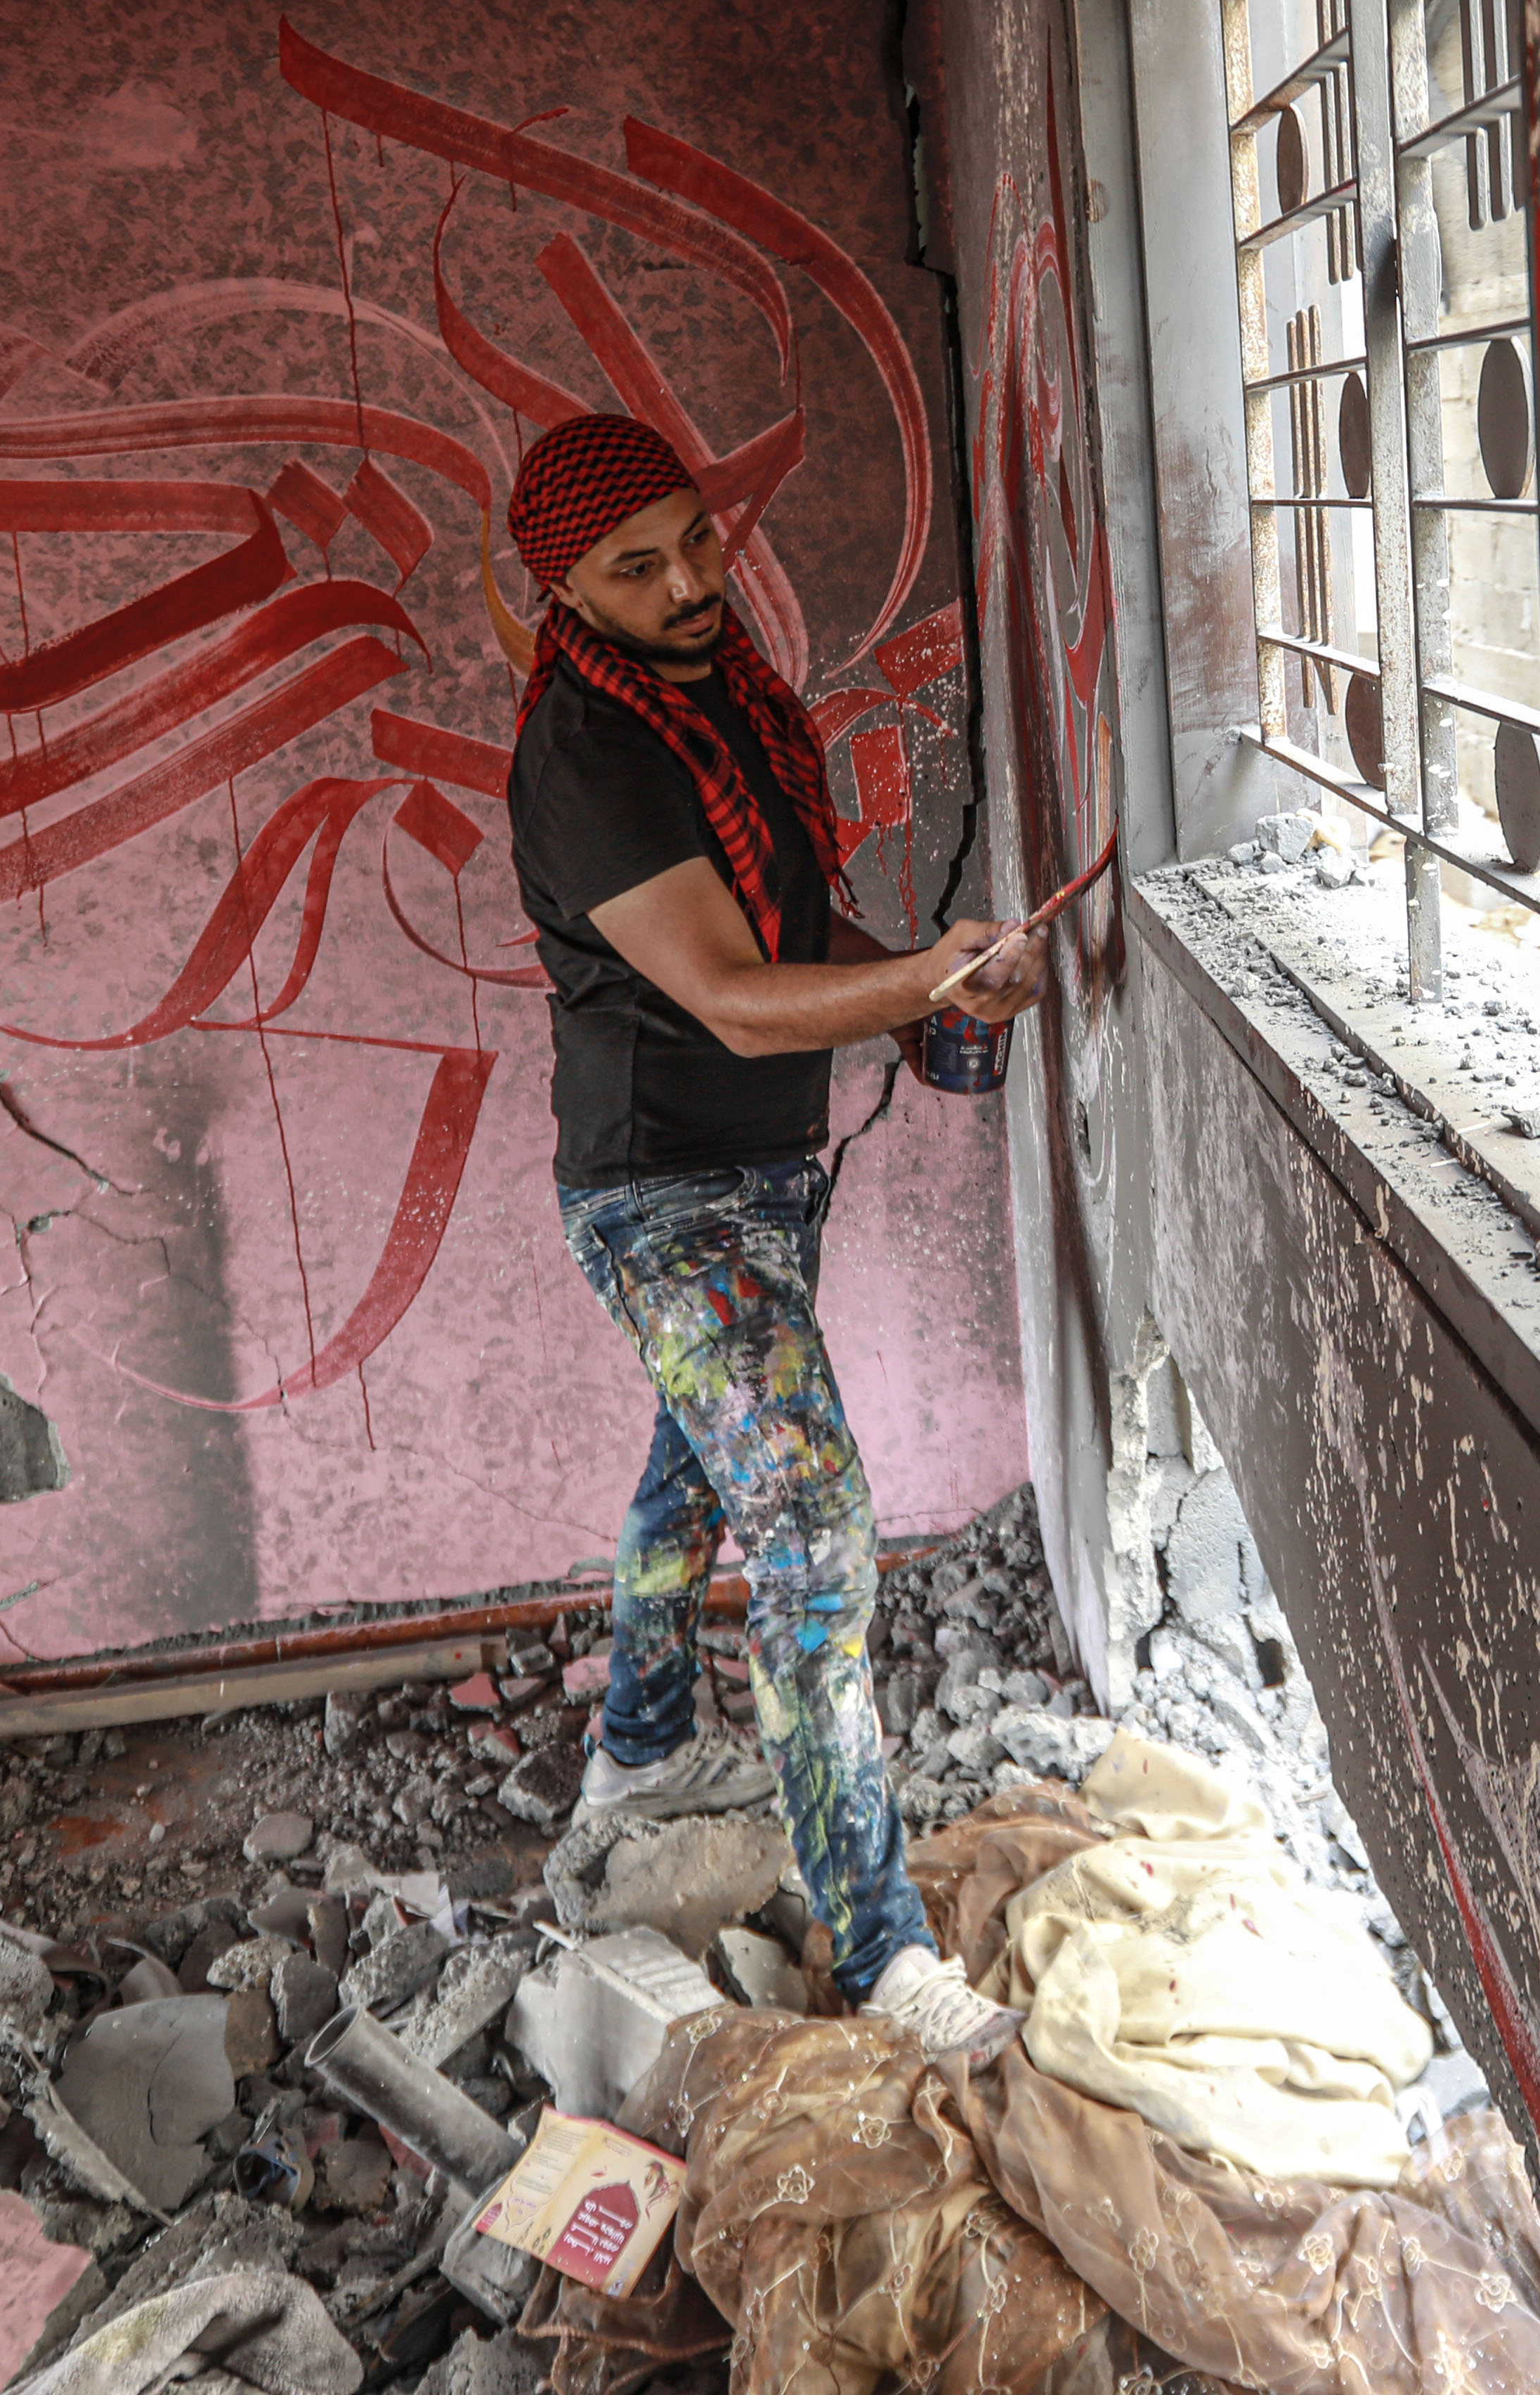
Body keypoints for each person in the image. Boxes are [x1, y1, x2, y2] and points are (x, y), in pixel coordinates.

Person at [499, 410, 1046, 2058]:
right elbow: (737, 1000)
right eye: (636, 566)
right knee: (808, 1525)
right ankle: (880, 1945)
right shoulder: (588, 758)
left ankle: (645, 1744)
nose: (687, 581)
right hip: (663, 1187)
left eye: (695, 539)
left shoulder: (723, 701)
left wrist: (930, 982)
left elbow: (793, 938)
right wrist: (920, 982)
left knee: (697, 1463)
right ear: (569, 590)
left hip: (757, 1175)